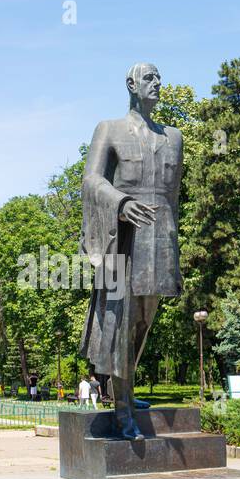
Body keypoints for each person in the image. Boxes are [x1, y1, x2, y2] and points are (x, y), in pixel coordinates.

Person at [79, 63, 183, 439]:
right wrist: (120, 203)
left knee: (142, 321)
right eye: (150, 78)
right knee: (119, 323)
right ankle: (122, 407)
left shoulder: (173, 137)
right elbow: (91, 179)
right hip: (120, 237)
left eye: (160, 78)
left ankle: (125, 385)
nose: (157, 84)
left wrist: (172, 240)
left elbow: (173, 195)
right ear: (131, 84)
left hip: (159, 239)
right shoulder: (110, 129)